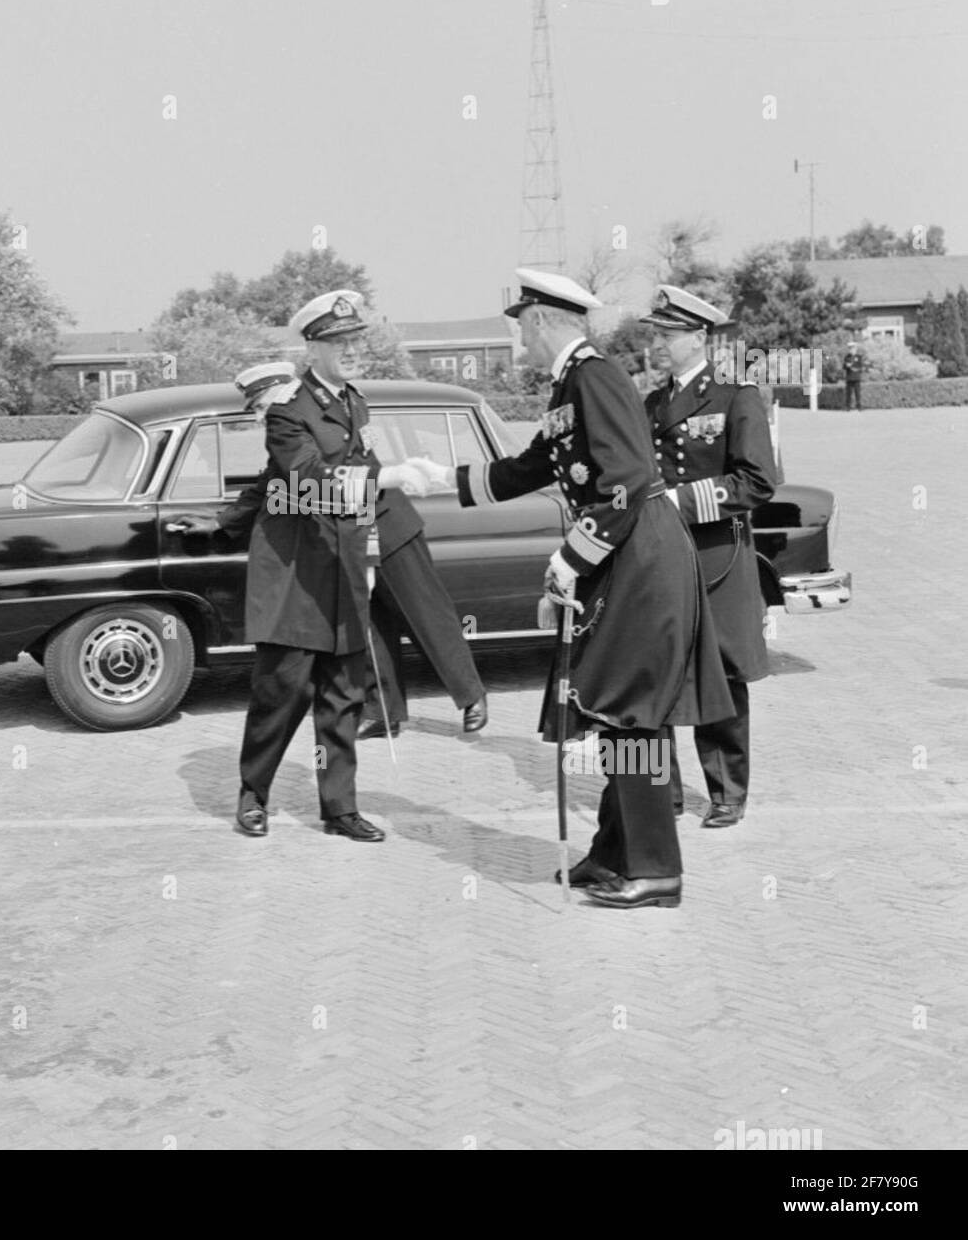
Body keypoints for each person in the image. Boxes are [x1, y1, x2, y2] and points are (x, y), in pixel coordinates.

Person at [419, 269, 733, 909]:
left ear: (539, 320)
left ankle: (655, 869)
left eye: (521, 329)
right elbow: (533, 466)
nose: (520, 345)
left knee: (633, 715)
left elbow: (626, 478)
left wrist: (571, 556)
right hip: (626, 559)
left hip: (640, 563)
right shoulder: (573, 382)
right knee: (613, 713)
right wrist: (436, 479)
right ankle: (613, 854)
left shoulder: (595, 376)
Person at [179, 361, 488, 739]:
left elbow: (352, 472)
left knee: (427, 615)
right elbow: (269, 485)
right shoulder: (289, 436)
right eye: (258, 410)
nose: (261, 416)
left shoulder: (332, 416)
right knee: (368, 627)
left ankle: (471, 696)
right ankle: (382, 713)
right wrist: (222, 522)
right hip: (344, 540)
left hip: (387, 527)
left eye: (261, 405)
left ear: (285, 394)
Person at [221, 293, 430, 842]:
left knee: (344, 693)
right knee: (281, 690)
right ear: (312, 348)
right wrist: (387, 479)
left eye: (356, 340)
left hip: (343, 564)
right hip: (295, 572)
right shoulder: (290, 410)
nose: (352, 351)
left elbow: (361, 482)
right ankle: (253, 794)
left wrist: (371, 549)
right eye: (339, 343)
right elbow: (307, 483)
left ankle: (339, 808)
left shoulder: (355, 404)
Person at [642, 287, 777, 828]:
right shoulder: (651, 404)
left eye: (668, 335)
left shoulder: (735, 395)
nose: (658, 344)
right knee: (661, 671)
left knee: (721, 672)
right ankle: (664, 792)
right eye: (656, 334)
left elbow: (758, 480)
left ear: (699, 337)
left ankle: (727, 792)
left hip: (717, 553)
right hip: (663, 559)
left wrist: (679, 501)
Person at [842, 341, 865, 411]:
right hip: (849, 377)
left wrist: (852, 366)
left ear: (855, 349)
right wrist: (846, 366)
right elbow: (843, 366)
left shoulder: (859, 357)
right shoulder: (847, 357)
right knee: (848, 393)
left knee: (857, 393)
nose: (851, 350)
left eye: (852, 348)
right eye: (850, 349)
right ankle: (848, 407)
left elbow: (861, 367)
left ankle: (859, 406)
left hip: (856, 377)